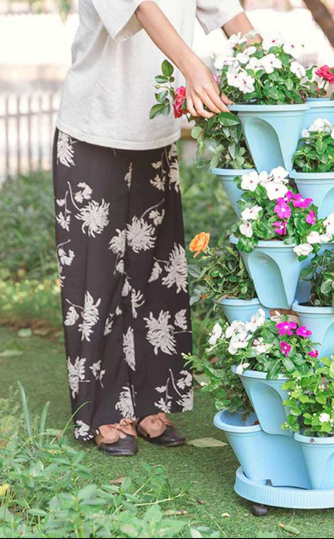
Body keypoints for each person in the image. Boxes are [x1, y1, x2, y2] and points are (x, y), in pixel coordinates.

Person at [54, 0, 254, 457]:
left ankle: (149, 402)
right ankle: (104, 410)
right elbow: (141, 7)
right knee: (96, 279)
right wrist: (194, 68)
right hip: (95, 128)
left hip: (156, 133)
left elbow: (227, 14)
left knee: (155, 275)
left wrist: (268, 66)